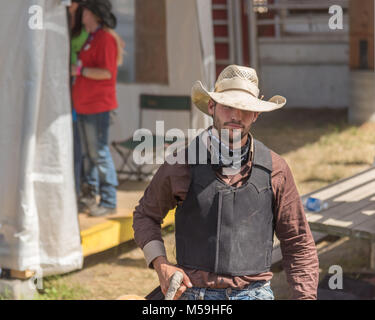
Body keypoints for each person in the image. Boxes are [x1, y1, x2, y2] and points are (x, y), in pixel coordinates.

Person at [133, 65, 319, 300]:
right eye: (228, 105)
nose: (235, 116)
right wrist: (161, 265)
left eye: (245, 109)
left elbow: (298, 241)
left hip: (254, 294)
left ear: (256, 114)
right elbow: (145, 215)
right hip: (194, 294)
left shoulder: (276, 169)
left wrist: (305, 297)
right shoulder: (182, 163)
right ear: (212, 106)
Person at [71, 0, 120, 217]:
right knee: (89, 154)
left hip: (97, 106)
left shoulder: (106, 39)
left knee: (98, 153)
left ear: (96, 16)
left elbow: (107, 73)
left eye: (88, 11)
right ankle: (90, 197)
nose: (84, 14)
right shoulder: (92, 37)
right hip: (84, 105)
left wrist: (79, 71)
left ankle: (109, 200)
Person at [68, 0, 89, 199]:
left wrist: (78, 70)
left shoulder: (86, 26)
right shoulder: (62, 17)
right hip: (66, 88)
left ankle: (80, 188)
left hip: (80, 92)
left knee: (79, 145)